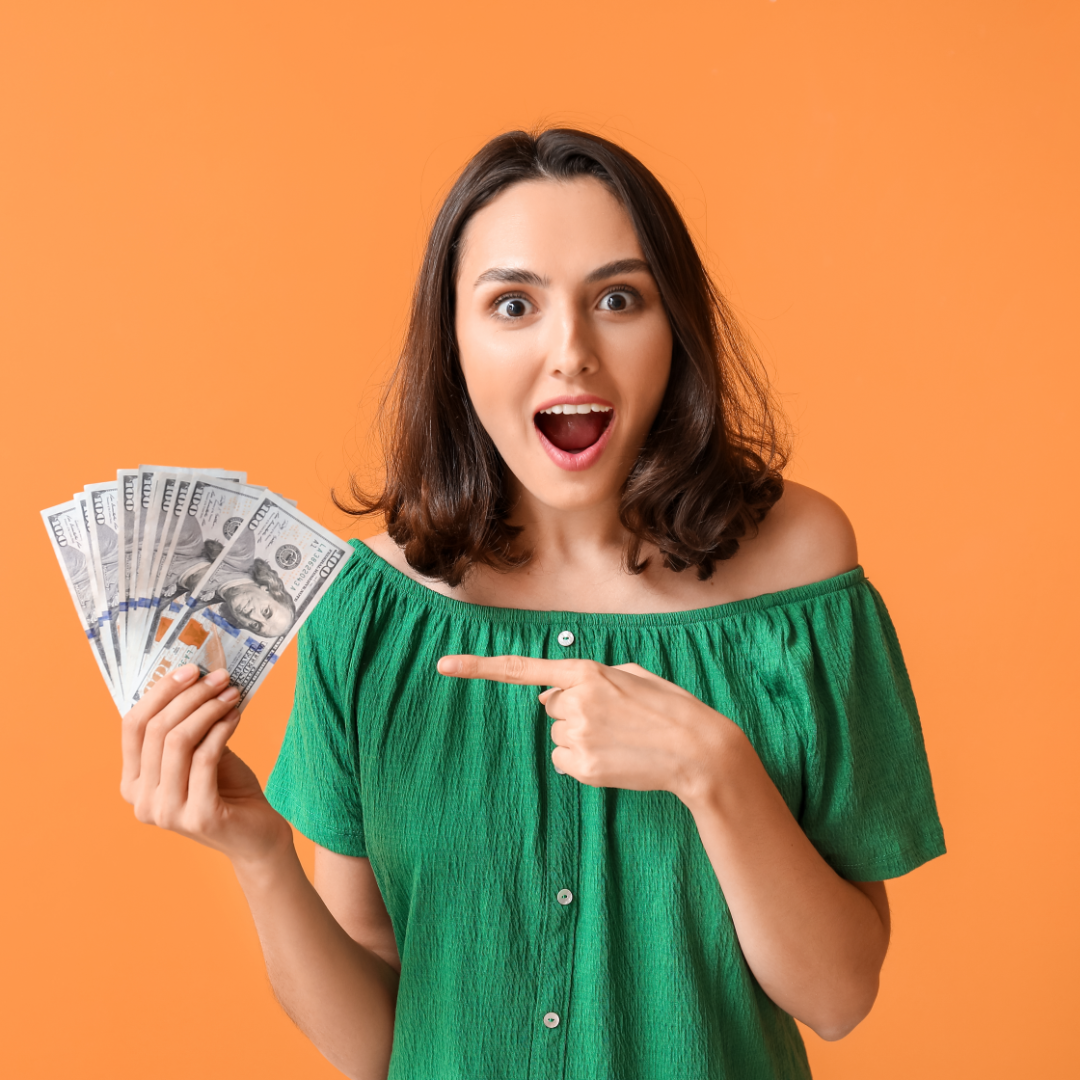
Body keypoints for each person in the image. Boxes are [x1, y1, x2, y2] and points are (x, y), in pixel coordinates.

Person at [119, 128, 945, 1080]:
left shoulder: (800, 569)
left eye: (619, 299)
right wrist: (257, 851)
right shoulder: (371, 609)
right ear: (455, 342)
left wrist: (712, 769)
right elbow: (379, 1047)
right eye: (514, 304)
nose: (572, 352)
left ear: (673, 328)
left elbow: (839, 996)